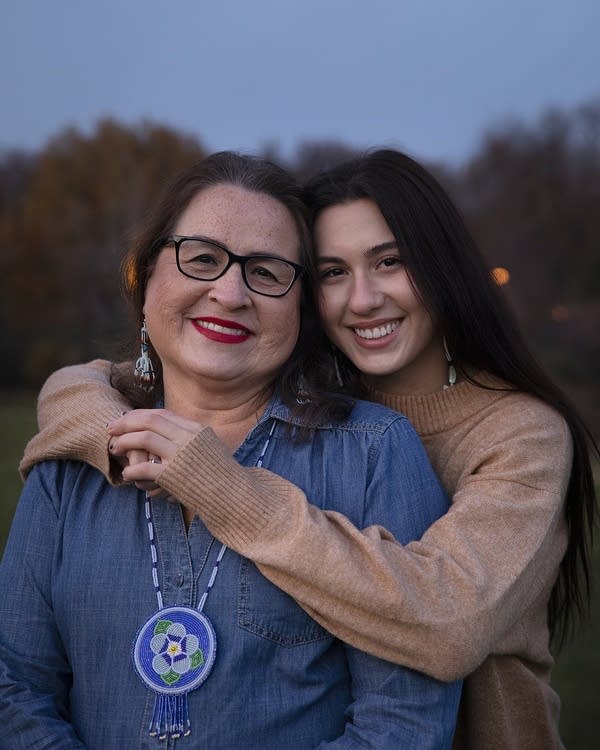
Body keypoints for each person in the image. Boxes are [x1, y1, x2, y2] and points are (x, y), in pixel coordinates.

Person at [19, 149, 598, 749]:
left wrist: (223, 488)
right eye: (331, 272)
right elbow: (89, 383)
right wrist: (106, 433)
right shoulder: (326, 398)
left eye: (391, 262)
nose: (364, 299)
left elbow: (449, 625)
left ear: (444, 266)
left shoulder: (516, 434)